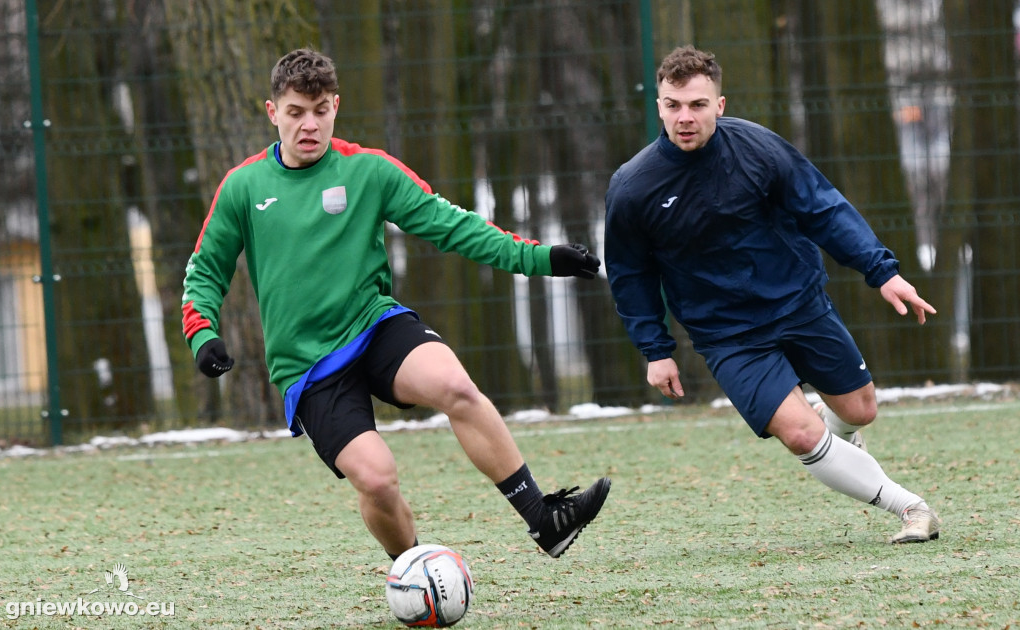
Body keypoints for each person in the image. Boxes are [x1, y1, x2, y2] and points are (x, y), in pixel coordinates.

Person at [181, 47, 610, 560]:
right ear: (273, 113)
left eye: (320, 111)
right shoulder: (243, 187)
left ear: (335, 107)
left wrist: (538, 258)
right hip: (308, 364)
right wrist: (202, 334)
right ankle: (414, 571)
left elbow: (452, 225)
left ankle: (544, 520)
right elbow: (204, 271)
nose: (309, 125)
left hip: (373, 324)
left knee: (455, 384)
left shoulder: (369, 171)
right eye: (295, 113)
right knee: (378, 480)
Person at [604, 45, 940, 543]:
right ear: (658, 106)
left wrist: (882, 272)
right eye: (673, 105)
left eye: (697, 105)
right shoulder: (633, 187)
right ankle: (910, 507)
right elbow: (630, 273)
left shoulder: (759, 149)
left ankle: (837, 439)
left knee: (859, 410)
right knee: (802, 434)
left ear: (719, 104)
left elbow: (824, 209)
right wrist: (656, 350)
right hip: (728, 335)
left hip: (799, 303)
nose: (685, 117)